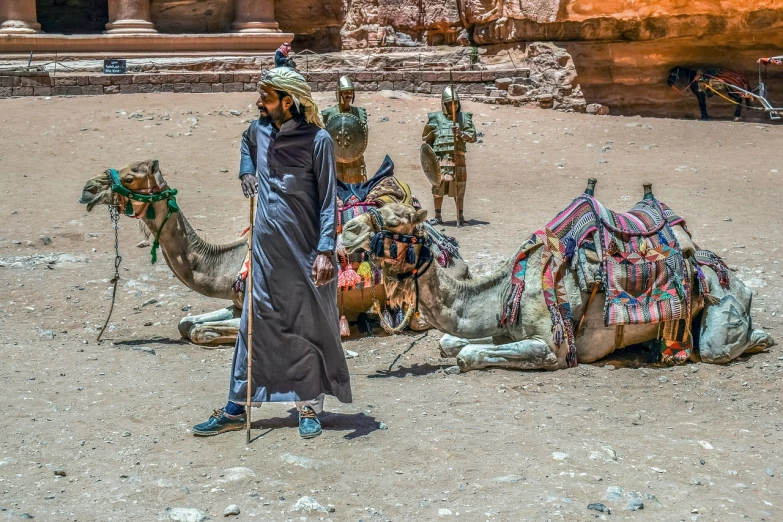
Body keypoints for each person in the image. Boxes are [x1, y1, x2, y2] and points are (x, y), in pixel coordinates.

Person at [193, 67, 352, 439]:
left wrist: (325, 251)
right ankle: (237, 406)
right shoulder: (259, 131)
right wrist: (246, 170)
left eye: (265, 97)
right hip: (265, 255)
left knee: (307, 328)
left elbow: (329, 199)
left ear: (288, 100)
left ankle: (309, 406)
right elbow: (246, 143)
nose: (258, 103)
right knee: (253, 325)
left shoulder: (319, 140)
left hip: (306, 254)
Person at [422, 86, 477, 227]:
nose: (454, 105)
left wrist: (460, 133)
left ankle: (460, 215)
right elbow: (428, 142)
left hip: (458, 160)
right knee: (437, 189)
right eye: (451, 103)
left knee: (459, 189)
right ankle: (438, 216)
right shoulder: (436, 119)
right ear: (445, 104)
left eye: (456, 103)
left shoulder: (464, 118)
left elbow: (472, 137)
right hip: (440, 161)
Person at [321, 76, 368, 183]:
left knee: (355, 185)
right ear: (339, 93)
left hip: (354, 158)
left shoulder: (359, 113)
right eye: (346, 92)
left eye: (350, 92)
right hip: (335, 158)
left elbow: (361, 138)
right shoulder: (328, 114)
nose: (349, 95)